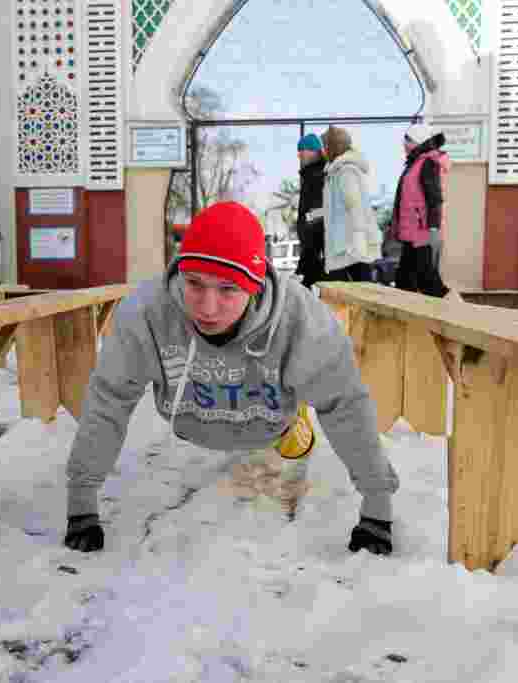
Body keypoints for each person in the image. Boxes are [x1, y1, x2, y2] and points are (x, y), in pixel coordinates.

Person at [63, 201, 399, 556]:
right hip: (190, 421)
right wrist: (82, 500)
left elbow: (345, 404)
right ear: (179, 275)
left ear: (254, 287)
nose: (207, 308)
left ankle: (295, 408)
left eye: (227, 289)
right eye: (194, 284)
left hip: (270, 424)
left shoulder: (301, 320)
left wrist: (376, 505)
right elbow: (109, 399)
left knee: (309, 403)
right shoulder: (147, 313)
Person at [389, 124, 453, 299]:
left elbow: (434, 196)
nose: (404, 144)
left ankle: (455, 309)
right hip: (411, 230)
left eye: (407, 140)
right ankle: (407, 313)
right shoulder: (414, 163)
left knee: (427, 280)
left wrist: (433, 227)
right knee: (404, 278)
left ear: (417, 142)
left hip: (421, 230)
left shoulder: (426, 163)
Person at [320, 126, 380, 283]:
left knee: (359, 289)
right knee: (355, 288)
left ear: (334, 146)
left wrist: (358, 242)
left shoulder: (345, 172)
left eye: (325, 146)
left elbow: (355, 206)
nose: (323, 151)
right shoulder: (335, 172)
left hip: (348, 246)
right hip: (343, 244)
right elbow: (333, 208)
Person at [294, 133, 327, 288]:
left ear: (314, 151)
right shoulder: (310, 174)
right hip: (311, 246)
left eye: (302, 150)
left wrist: (307, 221)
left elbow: (321, 210)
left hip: (315, 246)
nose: (299, 154)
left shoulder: (318, 174)